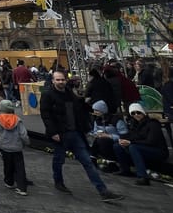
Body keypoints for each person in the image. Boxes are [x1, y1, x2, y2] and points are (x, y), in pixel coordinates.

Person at [40, 71, 123, 202]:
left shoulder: (69, 93)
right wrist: (53, 132)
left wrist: (91, 110)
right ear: (53, 81)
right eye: (58, 80)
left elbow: (80, 104)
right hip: (60, 133)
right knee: (59, 159)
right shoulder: (48, 95)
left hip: (75, 132)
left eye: (62, 79)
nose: (61, 82)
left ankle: (103, 191)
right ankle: (58, 181)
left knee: (87, 161)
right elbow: (46, 115)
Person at [0, 100, 30, 195]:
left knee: (8, 165)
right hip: (17, 147)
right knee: (20, 167)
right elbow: (23, 134)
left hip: (5, 147)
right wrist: (26, 142)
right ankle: (22, 187)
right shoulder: (17, 119)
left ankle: (9, 181)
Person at [113, 103, 169, 185]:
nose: (136, 115)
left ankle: (143, 176)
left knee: (133, 147)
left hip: (158, 151)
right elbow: (131, 137)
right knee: (118, 145)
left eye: (138, 112)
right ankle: (125, 170)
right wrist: (123, 140)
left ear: (143, 112)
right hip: (143, 148)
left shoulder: (153, 124)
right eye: (133, 113)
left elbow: (151, 142)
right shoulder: (134, 124)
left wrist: (131, 142)